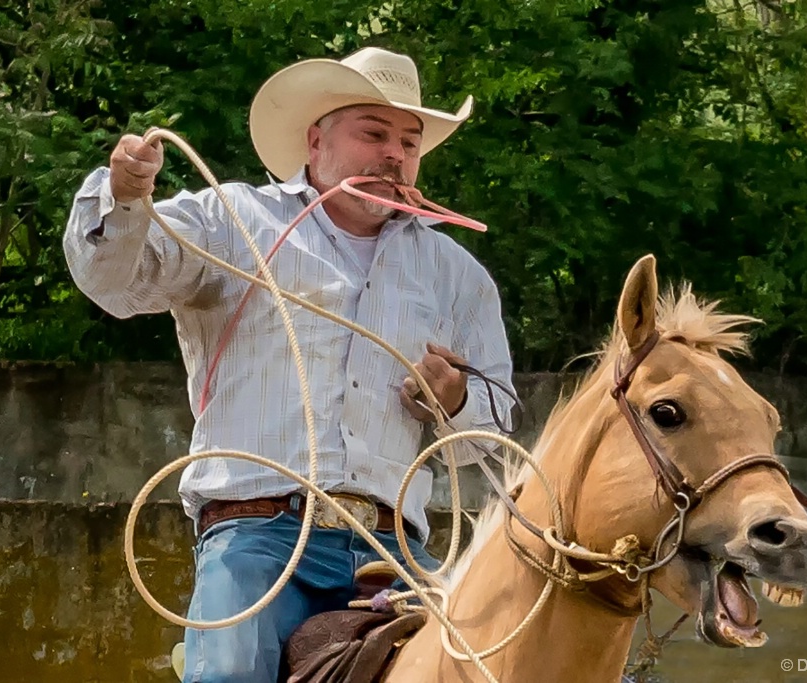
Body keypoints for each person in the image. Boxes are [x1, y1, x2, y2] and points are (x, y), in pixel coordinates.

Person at [62, 46, 516, 683]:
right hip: (257, 535)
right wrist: (126, 197)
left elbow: (494, 442)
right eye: (374, 133)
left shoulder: (457, 276)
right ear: (315, 140)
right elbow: (117, 283)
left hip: (397, 554)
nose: (396, 153)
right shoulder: (235, 220)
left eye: (410, 142)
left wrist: (459, 402)